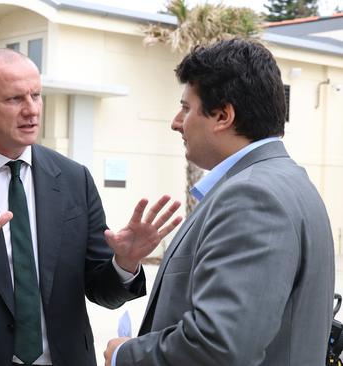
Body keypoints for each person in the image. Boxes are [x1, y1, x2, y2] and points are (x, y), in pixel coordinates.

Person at [0, 48, 181, 366]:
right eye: (14, 99)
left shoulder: (76, 179)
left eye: (36, 95)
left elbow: (104, 293)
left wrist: (125, 263)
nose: (31, 110)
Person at [104, 38, 335, 366]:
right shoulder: (283, 181)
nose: (175, 122)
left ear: (223, 116)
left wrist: (125, 355)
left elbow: (220, 346)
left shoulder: (254, 198)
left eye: (186, 108)